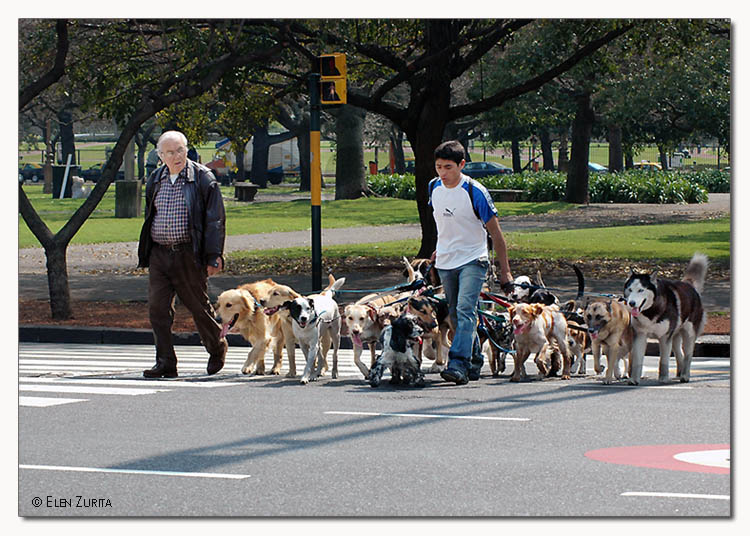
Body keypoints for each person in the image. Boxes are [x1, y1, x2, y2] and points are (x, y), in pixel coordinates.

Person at [137, 131, 227, 378]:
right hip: (159, 253)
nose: (176, 156)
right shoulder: (156, 178)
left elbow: (215, 219)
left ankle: (216, 347)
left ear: (187, 150)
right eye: (170, 152)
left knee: (198, 306)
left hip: (188, 252)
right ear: (160, 156)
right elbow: (150, 214)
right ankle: (165, 361)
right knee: (157, 309)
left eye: (180, 150)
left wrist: (214, 255)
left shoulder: (202, 178)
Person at [428, 140, 514, 385]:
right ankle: (475, 360)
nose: (442, 173)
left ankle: (457, 363)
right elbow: (444, 223)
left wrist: (505, 272)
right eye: (438, 167)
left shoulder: (474, 191)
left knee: (465, 310)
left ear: (461, 165)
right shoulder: (433, 187)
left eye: (448, 167)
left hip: (473, 259)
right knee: (456, 314)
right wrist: (438, 248)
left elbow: (496, 235)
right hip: (446, 260)